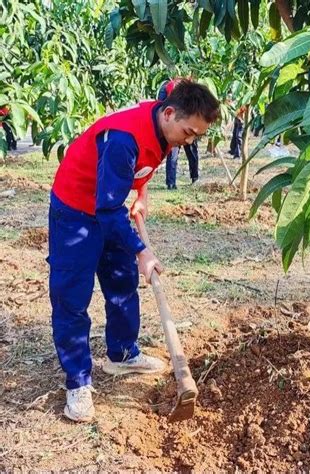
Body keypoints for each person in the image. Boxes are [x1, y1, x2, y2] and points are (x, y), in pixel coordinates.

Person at [48, 80, 220, 422]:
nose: (189, 141)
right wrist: (142, 250)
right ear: (169, 113)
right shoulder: (122, 139)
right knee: (72, 297)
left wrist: (141, 194)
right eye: (188, 132)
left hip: (108, 208)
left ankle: (123, 354)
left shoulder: (165, 127)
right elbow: (108, 209)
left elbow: (141, 168)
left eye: (196, 136)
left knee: (122, 284)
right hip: (75, 212)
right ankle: (78, 382)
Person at [158, 80, 199, 189]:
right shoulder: (166, 93)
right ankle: (171, 183)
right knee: (172, 153)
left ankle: (195, 177)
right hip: (174, 125)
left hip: (188, 123)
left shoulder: (192, 96)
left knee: (191, 150)